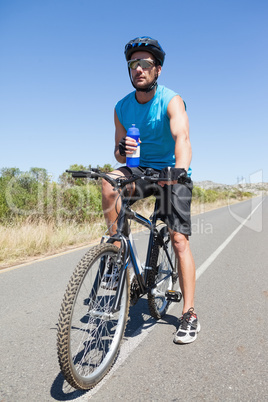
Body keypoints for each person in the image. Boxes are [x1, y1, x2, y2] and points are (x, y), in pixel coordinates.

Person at [102, 36, 200, 344]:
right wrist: (120, 150)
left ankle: (189, 313)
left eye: (145, 64)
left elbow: (182, 139)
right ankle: (118, 255)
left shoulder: (171, 100)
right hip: (141, 169)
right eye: (134, 64)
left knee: (179, 239)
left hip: (172, 170)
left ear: (157, 69)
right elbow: (120, 156)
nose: (139, 69)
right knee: (108, 181)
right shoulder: (121, 107)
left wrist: (178, 172)